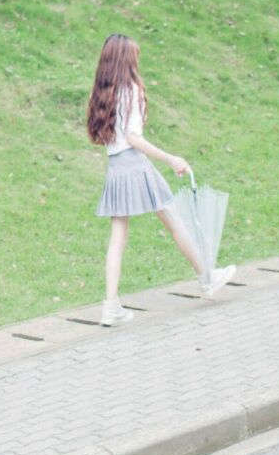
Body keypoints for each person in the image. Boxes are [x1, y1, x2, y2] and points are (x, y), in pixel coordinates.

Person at [87, 33, 236, 326]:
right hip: (134, 165)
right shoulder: (130, 90)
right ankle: (206, 278)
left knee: (118, 237)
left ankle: (110, 305)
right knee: (173, 221)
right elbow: (133, 137)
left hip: (115, 168)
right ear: (125, 61)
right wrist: (171, 158)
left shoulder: (103, 93)